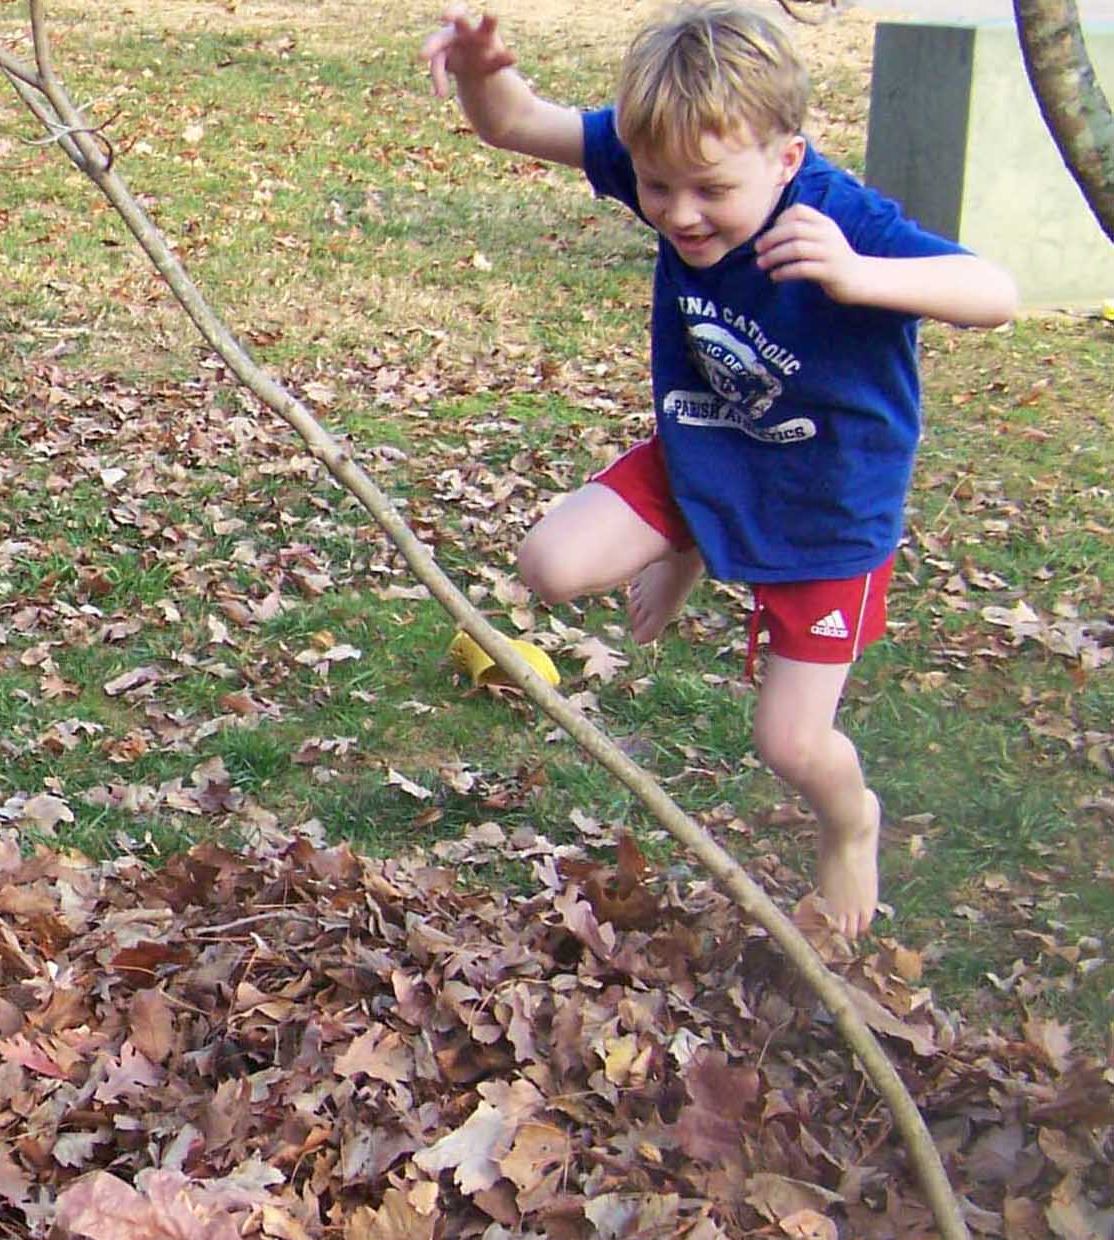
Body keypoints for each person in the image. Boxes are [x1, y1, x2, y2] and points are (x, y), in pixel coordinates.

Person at [422, 2, 1018, 936]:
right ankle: (694, 533)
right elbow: (512, 122)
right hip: (707, 444)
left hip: (826, 508)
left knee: (788, 741)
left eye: (707, 191)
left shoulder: (837, 216)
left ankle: (852, 821)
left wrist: (862, 274)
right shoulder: (668, 153)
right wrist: (479, 66)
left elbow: (996, 293)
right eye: (655, 187)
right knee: (550, 565)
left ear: (784, 160)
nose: (677, 214)